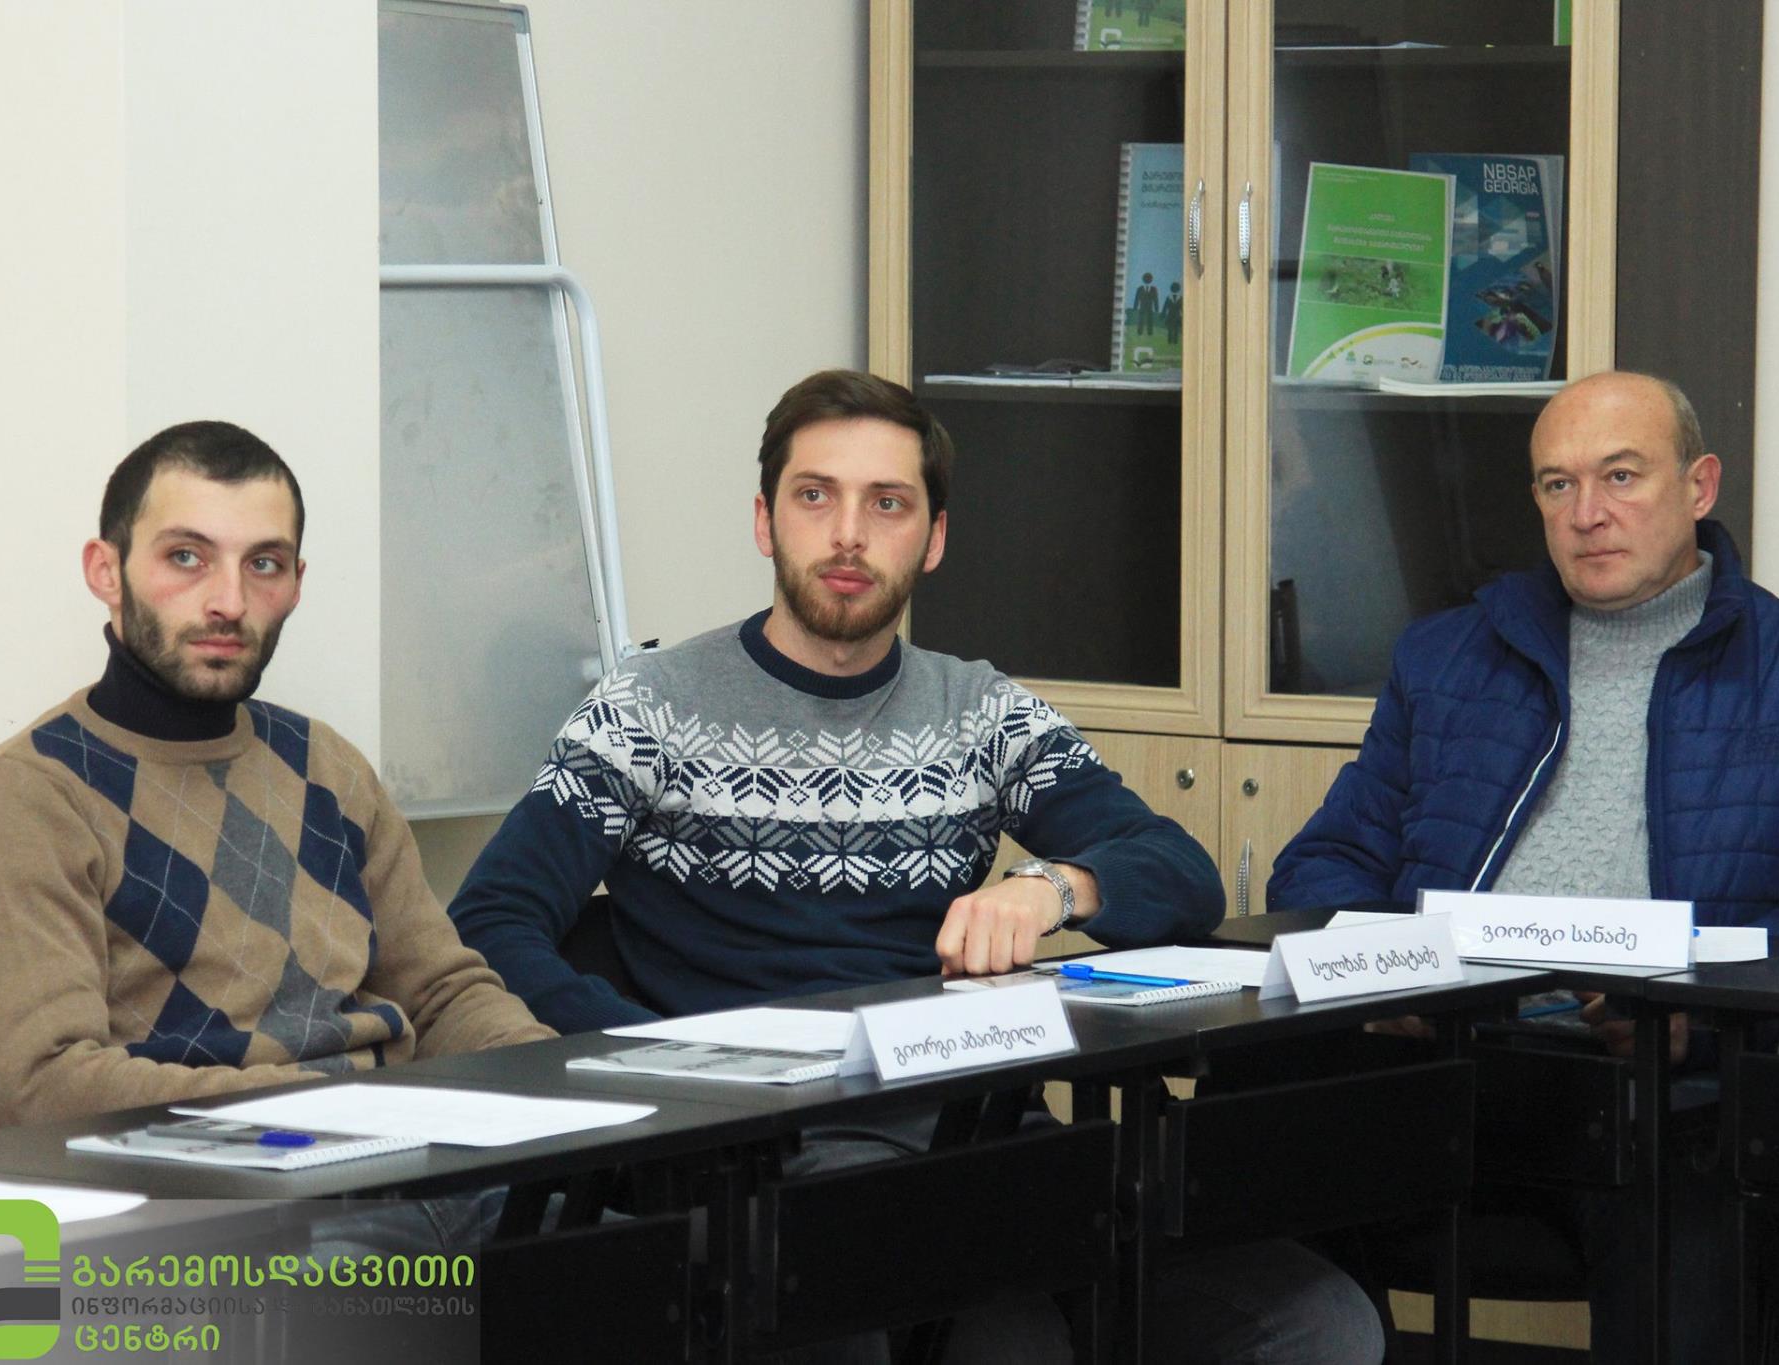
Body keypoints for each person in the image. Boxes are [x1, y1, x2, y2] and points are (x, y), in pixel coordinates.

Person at [450, 369, 1384, 1364]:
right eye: (815, 496)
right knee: (1005, 1343)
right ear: (764, 522)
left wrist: (1051, 887)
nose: (848, 534)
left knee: (1321, 1326)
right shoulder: (649, 707)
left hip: (981, 1133)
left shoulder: (979, 711)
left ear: (933, 539)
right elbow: (491, 920)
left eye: (887, 504)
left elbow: (1177, 868)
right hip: (774, 1155)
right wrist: (659, 1055)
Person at [1269, 370, 1779, 1358]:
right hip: (1446, 1062)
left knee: (1695, 1192)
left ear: (1698, 486)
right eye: (1557, 485)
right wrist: (1387, 972)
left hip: (1664, 1085)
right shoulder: (1447, 657)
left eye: (1619, 476)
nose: (1586, 513)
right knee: (1242, 1125)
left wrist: (1692, 1005)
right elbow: (1324, 863)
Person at [0, 421, 553, 1132]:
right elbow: (44, 1090)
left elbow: (443, 997)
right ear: (106, 571)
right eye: (186, 556)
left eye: (263, 563)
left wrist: (570, 1094)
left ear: (296, 584)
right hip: (207, 1183)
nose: (229, 601)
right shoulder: (23, 798)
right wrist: (343, 1109)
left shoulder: (327, 765)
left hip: (406, 1148)